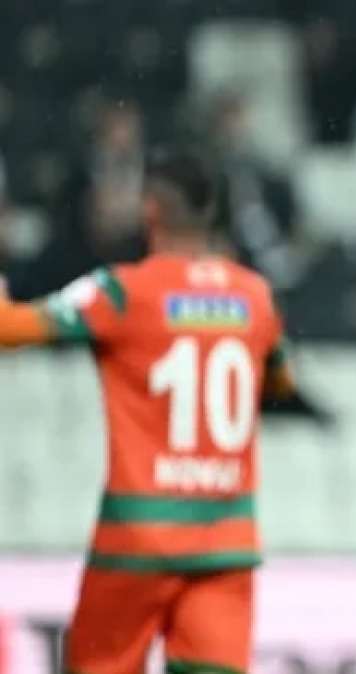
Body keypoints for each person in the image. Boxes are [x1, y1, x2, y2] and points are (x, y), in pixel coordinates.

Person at [0, 150, 299, 674]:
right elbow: (280, 384)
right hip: (225, 542)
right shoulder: (256, 298)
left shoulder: (122, 292)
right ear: (212, 212)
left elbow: (10, 331)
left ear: (151, 210)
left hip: (138, 539)